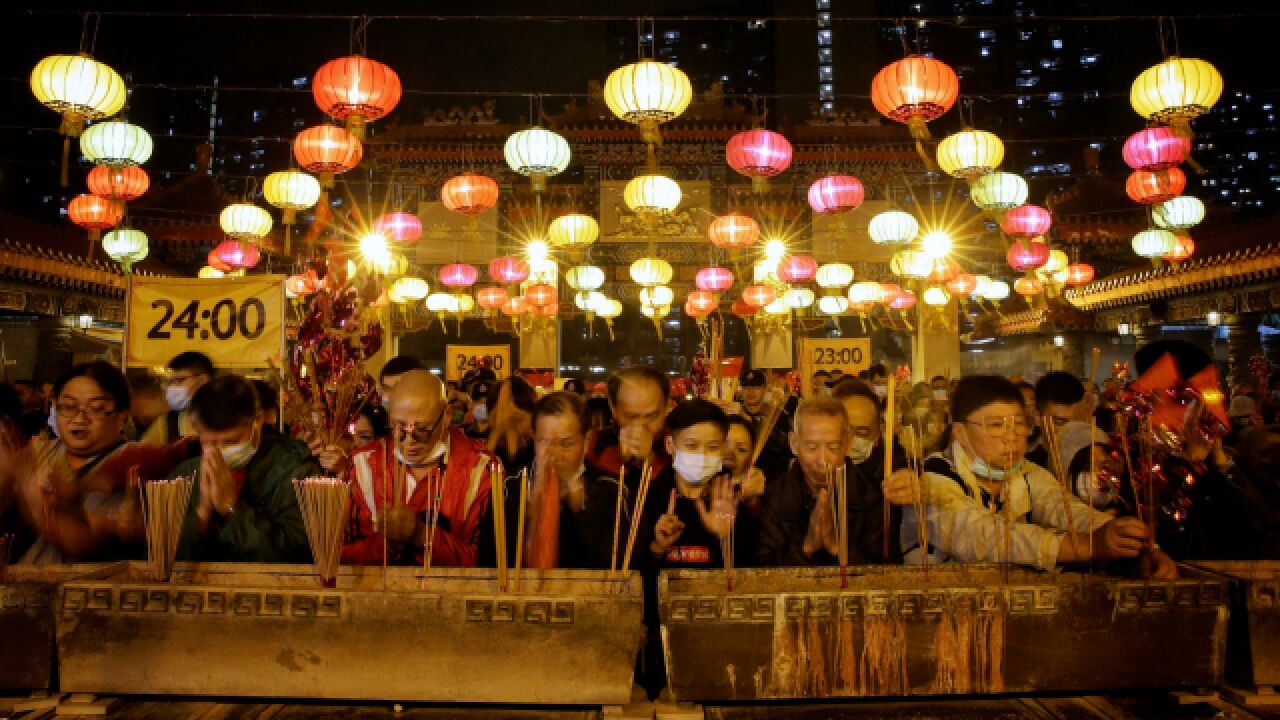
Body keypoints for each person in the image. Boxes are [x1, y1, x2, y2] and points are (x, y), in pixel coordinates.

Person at [900, 375, 1177, 577]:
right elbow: (984, 536)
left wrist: (1132, 540)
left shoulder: (1026, 473)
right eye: (996, 426)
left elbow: (1065, 509)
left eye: (1020, 425)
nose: (1012, 438)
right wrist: (1088, 545)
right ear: (960, 432)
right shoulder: (930, 479)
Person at [4, 362, 188, 562]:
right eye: (68, 407)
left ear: (122, 415)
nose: (79, 418)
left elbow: (80, 542)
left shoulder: (134, 463)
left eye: (96, 408)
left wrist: (33, 494)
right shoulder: (36, 452)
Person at [340, 369, 492, 567]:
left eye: (421, 430)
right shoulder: (362, 465)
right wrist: (385, 547)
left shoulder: (479, 467)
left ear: (446, 416)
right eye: (399, 428)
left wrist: (421, 534)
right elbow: (337, 552)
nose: (408, 441)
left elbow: (484, 562)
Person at [171, 375, 313, 563]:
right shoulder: (185, 475)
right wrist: (202, 516)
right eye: (210, 442)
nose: (220, 452)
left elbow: (297, 558)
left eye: (231, 441)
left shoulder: (297, 473)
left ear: (258, 420)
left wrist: (233, 510)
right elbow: (166, 560)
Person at [480, 391, 626, 569]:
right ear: (533, 438)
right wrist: (532, 506)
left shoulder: (611, 489)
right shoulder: (510, 487)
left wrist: (581, 509)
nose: (555, 454)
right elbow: (490, 559)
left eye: (566, 444)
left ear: (586, 441)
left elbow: (615, 566)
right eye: (545, 442)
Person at [756, 398, 903, 566]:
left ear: (847, 444)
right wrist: (806, 546)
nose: (822, 460)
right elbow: (763, 570)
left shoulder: (871, 498)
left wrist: (837, 547)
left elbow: (886, 572)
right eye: (812, 448)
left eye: (833, 448)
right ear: (794, 444)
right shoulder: (774, 496)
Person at [587, 367, 672, 485]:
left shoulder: (682, 445)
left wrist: (649, 462)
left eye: (651, 416)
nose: (640, 427)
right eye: (631, 417)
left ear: (667, 406)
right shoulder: (595, 445)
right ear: (613, 407)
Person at [140, 351, 214, 446]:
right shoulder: (165, 424)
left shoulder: (228, 416)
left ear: (202, 381)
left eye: (179, 380)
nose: (172, 388)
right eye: (170, 382)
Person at [738, 369, 792, 481]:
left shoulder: (778, 415)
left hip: (772, 478)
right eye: (746, 387)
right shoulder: (735, 415)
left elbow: (784, 446)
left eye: (756, 387)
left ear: (765, 389)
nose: (750, 391)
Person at [486, 376, 537, 473]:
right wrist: (496, 433)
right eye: (498, 417)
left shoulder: (539, 452)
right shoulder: (476, 443)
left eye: (518, 419)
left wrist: (511, 435)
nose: (506, 423)